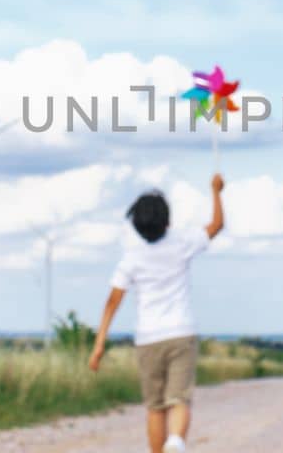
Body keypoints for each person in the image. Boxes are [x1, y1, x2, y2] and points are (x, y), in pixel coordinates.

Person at [88, 173, 225, 453]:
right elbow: (216, 225)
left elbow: (113, 301)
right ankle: (175, 441)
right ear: (167, 221)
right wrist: (216, 192)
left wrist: (100, 342)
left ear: (136, 226)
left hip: (148, 338)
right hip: (180, 332)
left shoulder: (131, 258)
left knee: (154, 408)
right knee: (179, 400)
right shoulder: (182, 242)